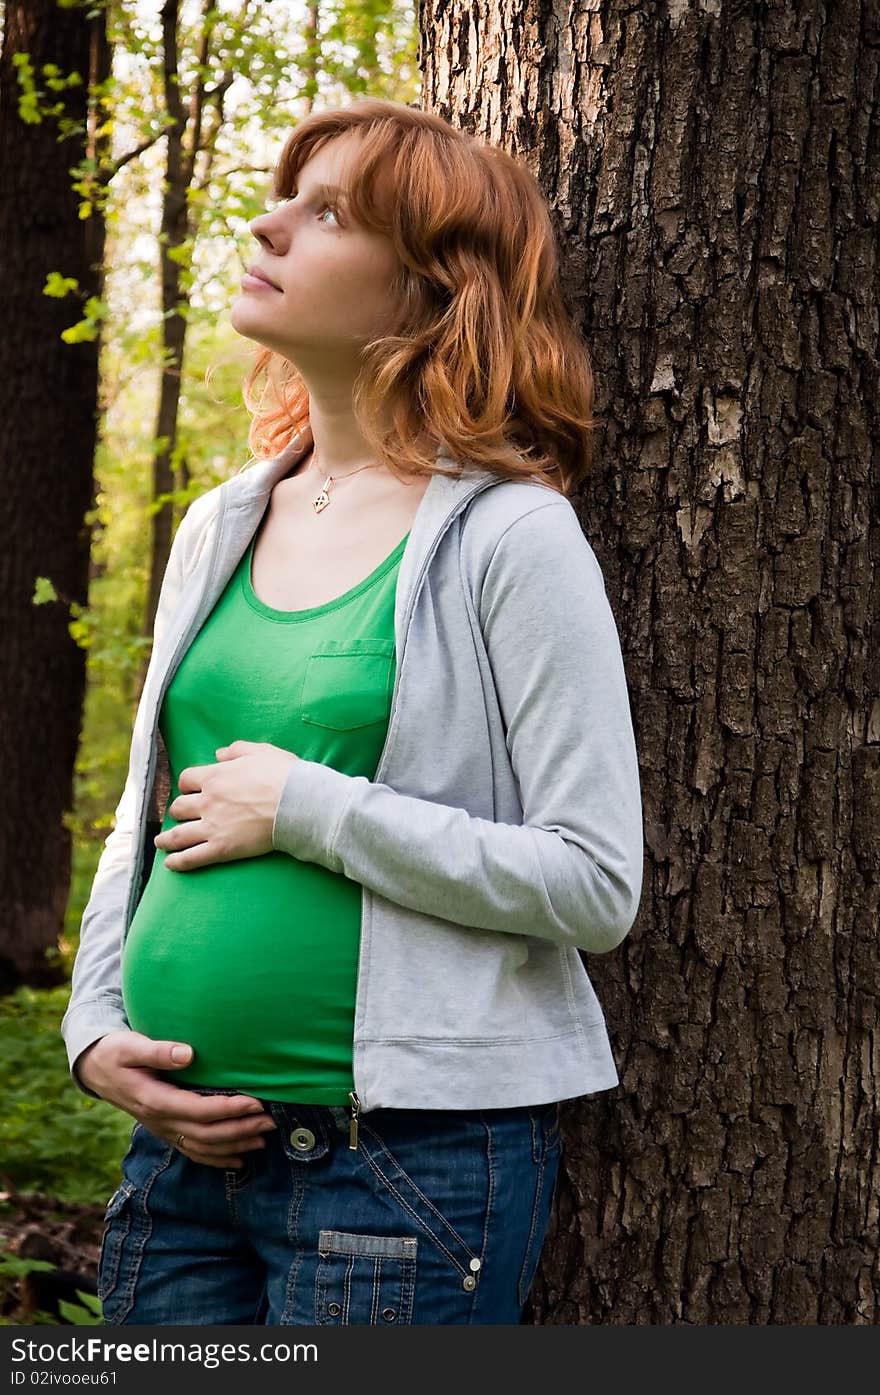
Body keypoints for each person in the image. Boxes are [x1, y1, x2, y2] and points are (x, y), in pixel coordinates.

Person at [61, 96, 644, 1326]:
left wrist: (311, 809)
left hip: (397, 1172)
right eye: (286, 196)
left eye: (326, 213)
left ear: (432, 289)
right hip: (178, 1167)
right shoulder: (224, 519)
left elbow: (593, 882)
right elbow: (141, 818)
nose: (269, 224)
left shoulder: (511, 535)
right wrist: (94, 1028)